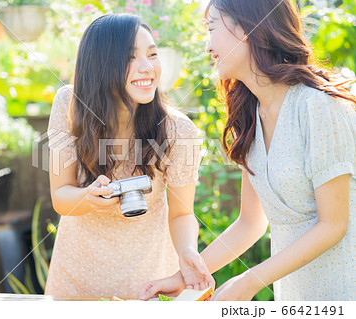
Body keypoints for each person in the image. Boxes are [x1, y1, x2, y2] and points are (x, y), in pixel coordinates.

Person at [138, 0, 355, 301]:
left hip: (343, 292)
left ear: (245, 28)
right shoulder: (249, 115)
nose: (207, 46)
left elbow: (333, 225)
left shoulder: (318, 107)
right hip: (294, 297)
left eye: (211, 28)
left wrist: (249, 282)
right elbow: (251, 223)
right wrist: (183, 279)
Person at [45, 13, 214, 299]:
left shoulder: (177, 130)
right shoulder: (69, 105)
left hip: (148, 286)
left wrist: (187, 252)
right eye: (131, 57)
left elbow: (182, 213)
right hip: (74, 283)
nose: (147, 67)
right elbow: (61, 195)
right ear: (100, 63)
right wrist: (88, 199)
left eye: (152, 54)